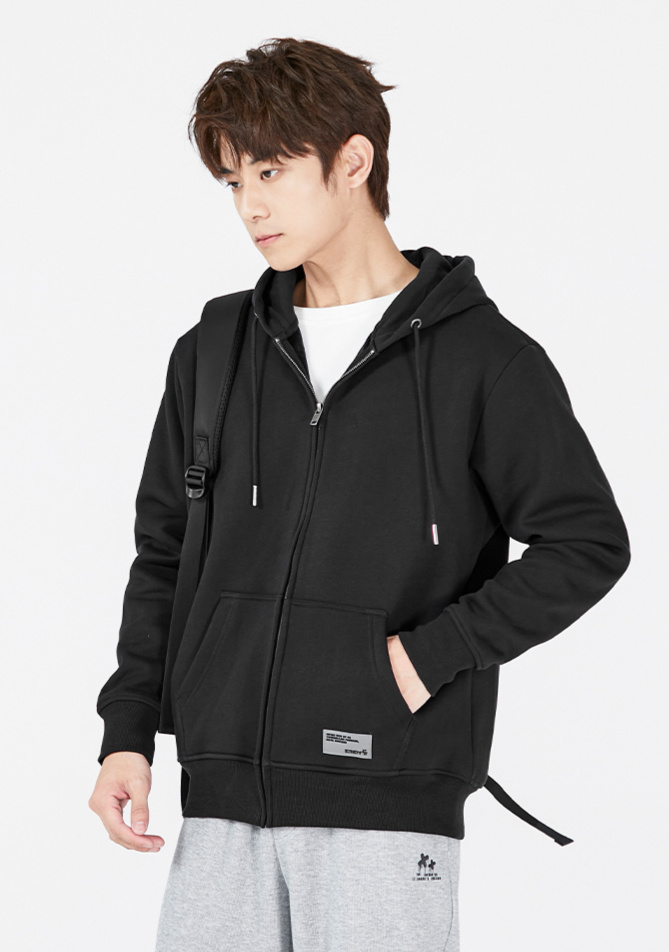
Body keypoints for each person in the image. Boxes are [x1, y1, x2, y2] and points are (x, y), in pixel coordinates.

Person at [88, 37, 631, 952]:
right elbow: (166, 554)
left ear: (352, 161)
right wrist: (128, 732)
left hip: (386, 797)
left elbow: (586, 543)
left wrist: (419, 661)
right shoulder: (214, 351)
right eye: (232, 181)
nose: (249, 206)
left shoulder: (483, 359)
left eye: (270, 171)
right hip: (219, 802)